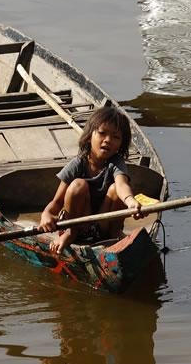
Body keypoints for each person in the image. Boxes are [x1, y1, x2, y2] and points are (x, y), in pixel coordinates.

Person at [38, 106, 143, 254]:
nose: (108, 140)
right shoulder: (78, 164)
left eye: (116, 137)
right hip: (79, 225)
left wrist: (131, 202)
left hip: (103, 227)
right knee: (78, 185)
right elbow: (56, 203)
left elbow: (121, 185)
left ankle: (114, 235)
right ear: (89, 136)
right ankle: (70, 234)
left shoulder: (116, 163)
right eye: (102, 133)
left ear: (121, 144)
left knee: (114, 190)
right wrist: (46, 215)